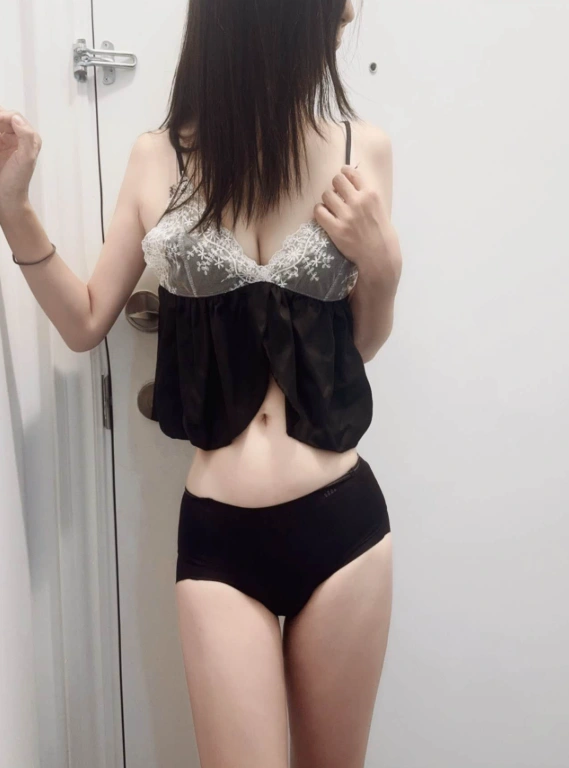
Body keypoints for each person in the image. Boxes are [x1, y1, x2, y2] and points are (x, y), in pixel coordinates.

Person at [0, 0, 403, 765]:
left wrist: (383, 267)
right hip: (220, 539)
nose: (350, 10)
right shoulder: (156, 158)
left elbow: (361, 347)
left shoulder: (363, 148)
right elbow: (84, 322)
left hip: (344, 527)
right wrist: (13, 207)